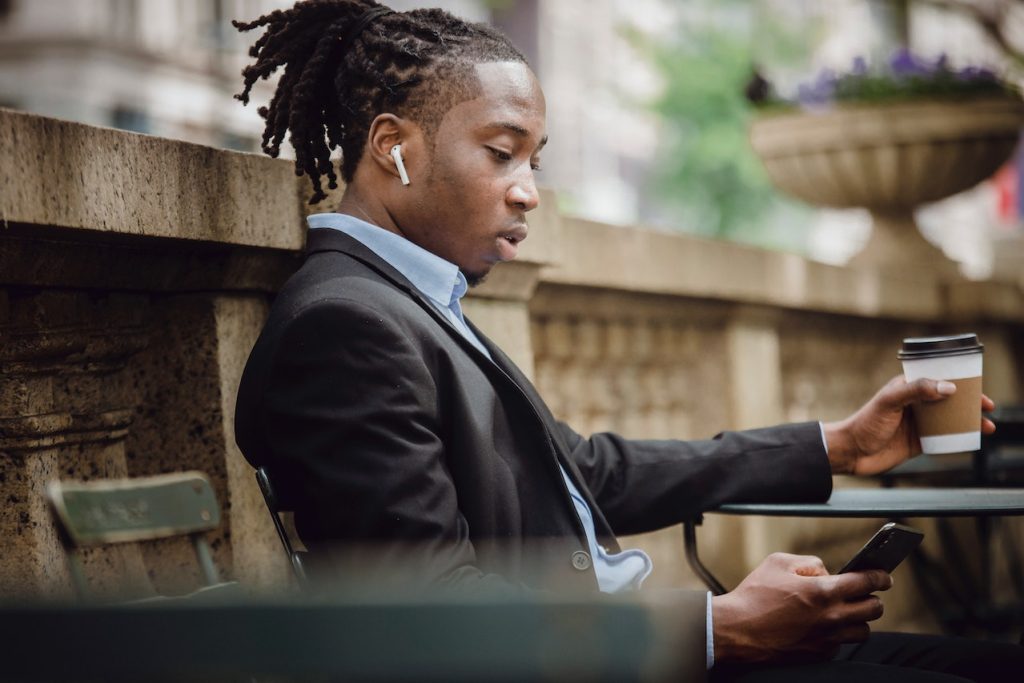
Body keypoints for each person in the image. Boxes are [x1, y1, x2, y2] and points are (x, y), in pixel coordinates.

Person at [231, 2, 1021, 680]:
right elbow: (432, 612)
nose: (529, 190)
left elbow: (587, 472)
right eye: (501, 152)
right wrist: (718, 626)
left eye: (534, 160)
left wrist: (835, 445)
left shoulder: (406, 299)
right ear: (393, 146)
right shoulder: (346, 326)